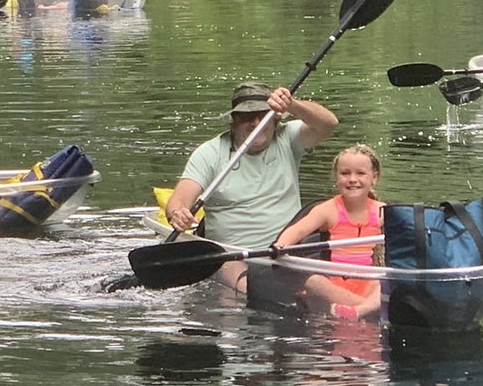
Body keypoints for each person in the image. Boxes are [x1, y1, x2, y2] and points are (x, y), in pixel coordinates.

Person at [163, 81, 340, 293]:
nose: (256, 122)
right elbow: (180, 199)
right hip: (232, 255)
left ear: (275, 118)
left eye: (263, 115)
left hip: (287, 248)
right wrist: (177, 213)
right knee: (248, 292)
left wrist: (292, 105)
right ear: (234, 121)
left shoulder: (288, 138)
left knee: (319, 286)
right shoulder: (210, 153)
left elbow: (328, 123)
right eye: (247, 117)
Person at [271, 144, 385, 319]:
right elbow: (297, 230)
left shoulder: (382, 211)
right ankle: (367, 309)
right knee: (314, 282)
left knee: (385, 283)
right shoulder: (327, 210)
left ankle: (357, 311)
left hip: (368, 281)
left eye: (360, 173)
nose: (352, 179)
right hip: (334, 282)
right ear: (336, 177)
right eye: (345, 173)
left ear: (374, 177)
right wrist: (280, 246)